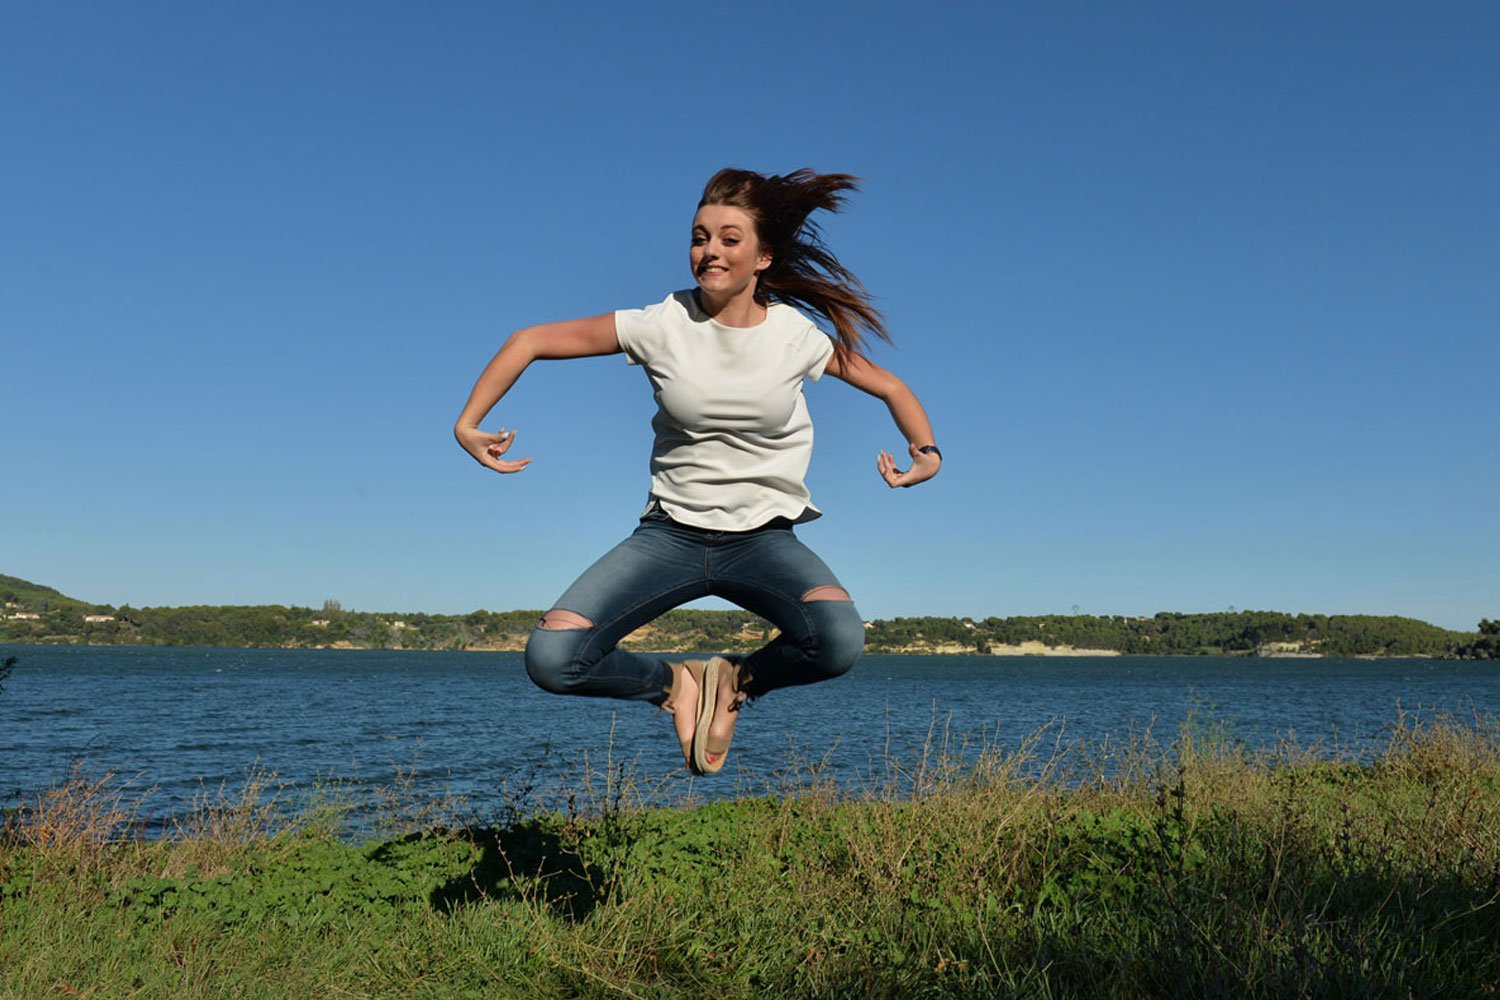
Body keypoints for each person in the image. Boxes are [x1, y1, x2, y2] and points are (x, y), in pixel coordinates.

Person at [454, 167, 941, 775]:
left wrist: (926, 453)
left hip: (765, 539)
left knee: (839, 640)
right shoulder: (661, 324)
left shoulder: (797, 337)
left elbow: (889, 385)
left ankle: (736, 680)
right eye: (699, 236)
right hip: (669, 536)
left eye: (729, 238)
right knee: (553, 658)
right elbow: (528, 340)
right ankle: (677, 686)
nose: (709, 250)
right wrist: (469, 422)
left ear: (763, 256)